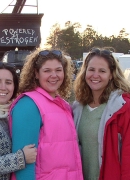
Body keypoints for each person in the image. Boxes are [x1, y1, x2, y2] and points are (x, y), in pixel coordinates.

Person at [9, 49, 83, 180]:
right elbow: (23, 162)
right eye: (47, 70)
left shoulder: (62, 104)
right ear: (36, 73)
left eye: (58, 70)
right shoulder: (28, 105)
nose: (54, 75)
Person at [73, 47, 130, 180]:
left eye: (102, 71)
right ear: (85, 71)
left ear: (111, 75)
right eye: (91, 69)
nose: (95, 75)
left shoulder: (124, 109)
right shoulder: (77, 108)